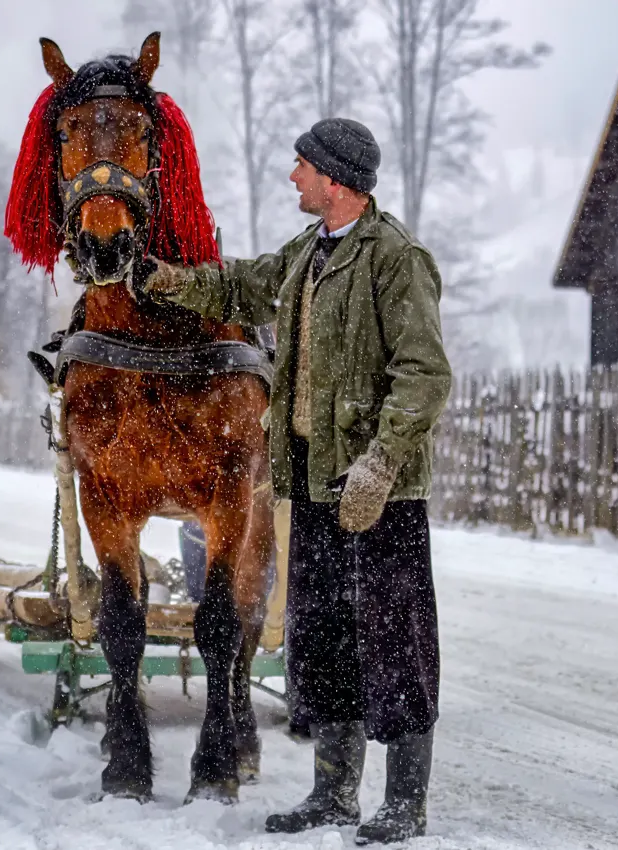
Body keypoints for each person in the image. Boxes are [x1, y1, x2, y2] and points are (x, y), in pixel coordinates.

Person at [139, 117, 452, 845]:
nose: (294, 179)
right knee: (325, 640)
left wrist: (380, 462)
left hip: (379, 495)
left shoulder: (395, 258)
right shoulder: (309, 254)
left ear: (336, 179)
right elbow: (244, 286)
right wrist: (168, 281)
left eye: (303, 167)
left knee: (396, 643)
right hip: (311, 484)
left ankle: (405, 803)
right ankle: (334, 795)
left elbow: (425, 374)